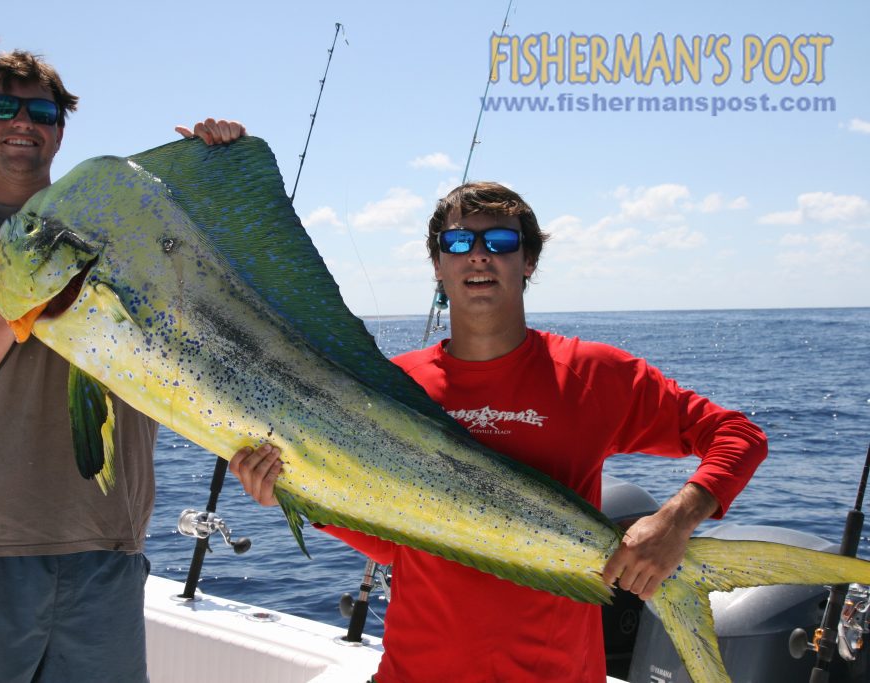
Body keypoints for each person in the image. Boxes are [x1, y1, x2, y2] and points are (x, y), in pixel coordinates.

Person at [229, 181, 768, 682]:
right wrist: (299, 498)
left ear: (528, 261)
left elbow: (738, 435)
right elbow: (396, 547)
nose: (478, 254)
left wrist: (675, 520)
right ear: (438, 266)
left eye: (501, 240)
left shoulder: (592, 372)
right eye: (458, 241)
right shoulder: (396, 387)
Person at [0, 39, 244, 683]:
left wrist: (218, 173)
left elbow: (212, 306)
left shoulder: (127, 237)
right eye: (1, 107)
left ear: (60, 131)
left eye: (41, 113)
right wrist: (11, 310)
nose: (22, 123)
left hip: (106, 553)